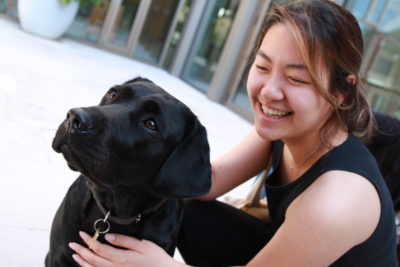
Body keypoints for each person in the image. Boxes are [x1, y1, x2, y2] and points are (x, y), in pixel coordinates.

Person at [69, 0, 397, 266]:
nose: (270, 92)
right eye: (263, 67)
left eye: (297, 79)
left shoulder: (336, 199)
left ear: (342, 91)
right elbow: (203, 183)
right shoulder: (286, 129)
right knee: (181, 204)